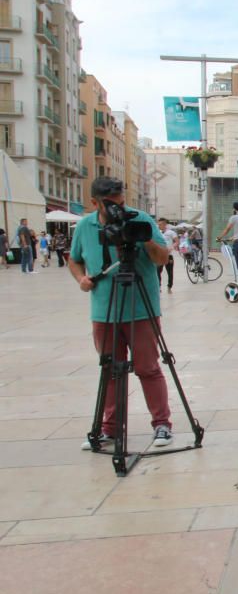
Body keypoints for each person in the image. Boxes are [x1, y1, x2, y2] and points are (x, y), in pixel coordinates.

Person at [67, 177, 175, 449]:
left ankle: (161, 424)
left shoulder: (140, 219)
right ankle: (110, 428)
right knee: (111, 369)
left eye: (122, 203)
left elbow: (162, 258)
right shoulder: (84, 226)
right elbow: (74, 259)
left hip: (141, 307)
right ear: (95, 203)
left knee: (148, 367)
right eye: (111, 205)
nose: (119, 209)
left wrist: (143, 237)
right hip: (104, 309)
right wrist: (81, 279)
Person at [156, 218, 178, 293]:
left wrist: (172, 247)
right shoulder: (157, 232)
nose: (159, 226)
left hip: (169, 255)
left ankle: (169, 286)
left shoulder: (171, 232)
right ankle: (158, 286)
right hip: (160, 255)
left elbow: (177, 241)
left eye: (160, 224)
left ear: (165, 224)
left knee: (169, 271)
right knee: (158, 271)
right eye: (158, 224)